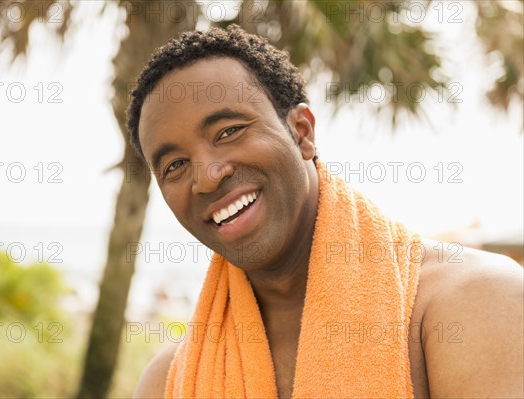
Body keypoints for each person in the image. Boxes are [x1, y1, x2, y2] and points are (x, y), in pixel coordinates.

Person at [127, 25, 523, 398]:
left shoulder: (474, 303)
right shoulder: (168, 381)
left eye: (229, 132)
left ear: (302, 132)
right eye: (175, 166)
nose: (208, 177)